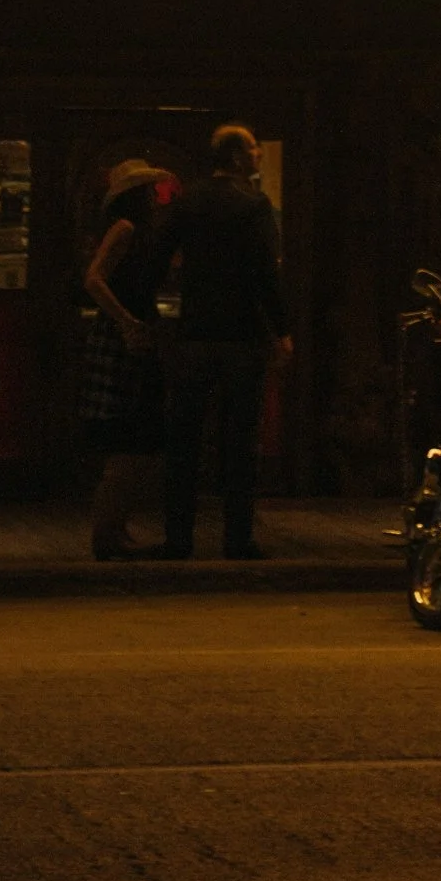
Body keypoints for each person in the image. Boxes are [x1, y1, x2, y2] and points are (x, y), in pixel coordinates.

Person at [154, 125, 290, 560]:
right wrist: (281, 329)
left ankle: (178, 536)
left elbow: (157, 258)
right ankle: (236, 537)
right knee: (239, 440)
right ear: (235, 158)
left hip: (195, 331)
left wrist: (152, 313)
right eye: (252, 149)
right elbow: (266, 273)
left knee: (184, 439)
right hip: (242, 334)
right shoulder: (253, 206)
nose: (258, 155)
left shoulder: (187, 202)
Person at [82, 158, 177, 557]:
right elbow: (94, 279)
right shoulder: (125, 229)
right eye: (149, 192)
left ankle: (116, 528)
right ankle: (107, 533)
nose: (156, 198)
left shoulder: (142, 232)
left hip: (133, 330)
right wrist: (124, 320)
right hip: (123, 334)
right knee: (127, 435)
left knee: (136, 434)